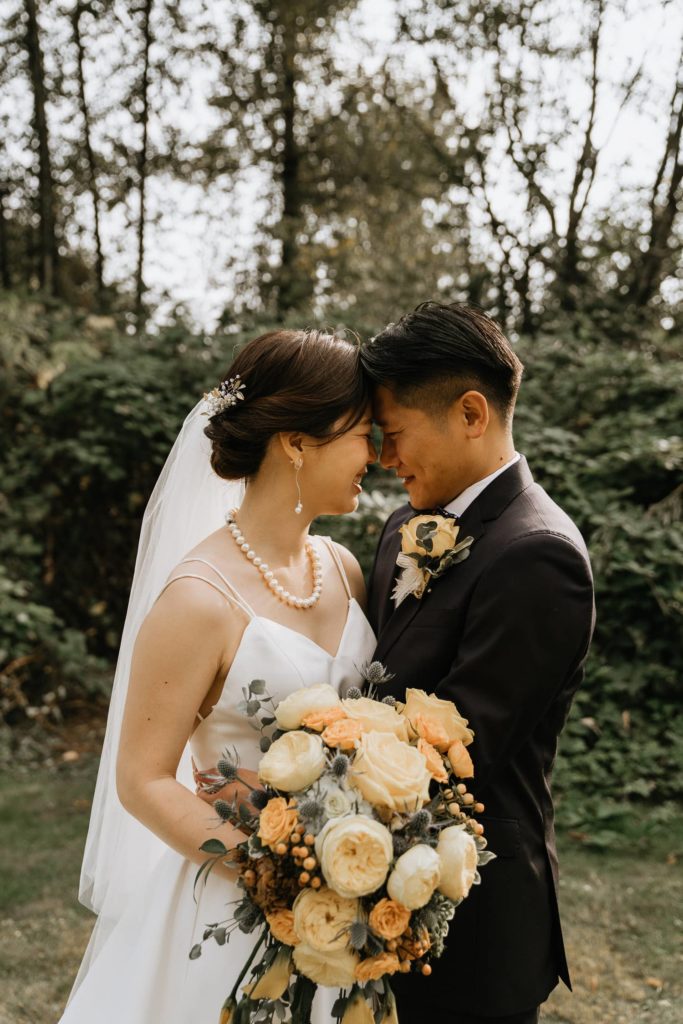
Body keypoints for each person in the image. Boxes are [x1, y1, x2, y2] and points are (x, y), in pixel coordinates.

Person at [60, 329, 377, 1024]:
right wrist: (278, 871)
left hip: (354, 896)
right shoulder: (196, 601)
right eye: (361, 434)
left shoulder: (347, 569)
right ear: (296, 442)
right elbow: (141, 780)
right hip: (239, 904)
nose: (375, 455)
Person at [362, 302, 595, 1024]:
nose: (383, 457)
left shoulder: (538, 554)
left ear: (470, 413)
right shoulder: (402, 525)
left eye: (394, 434)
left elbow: (460, 750)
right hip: (376, 891)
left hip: (473, 917)